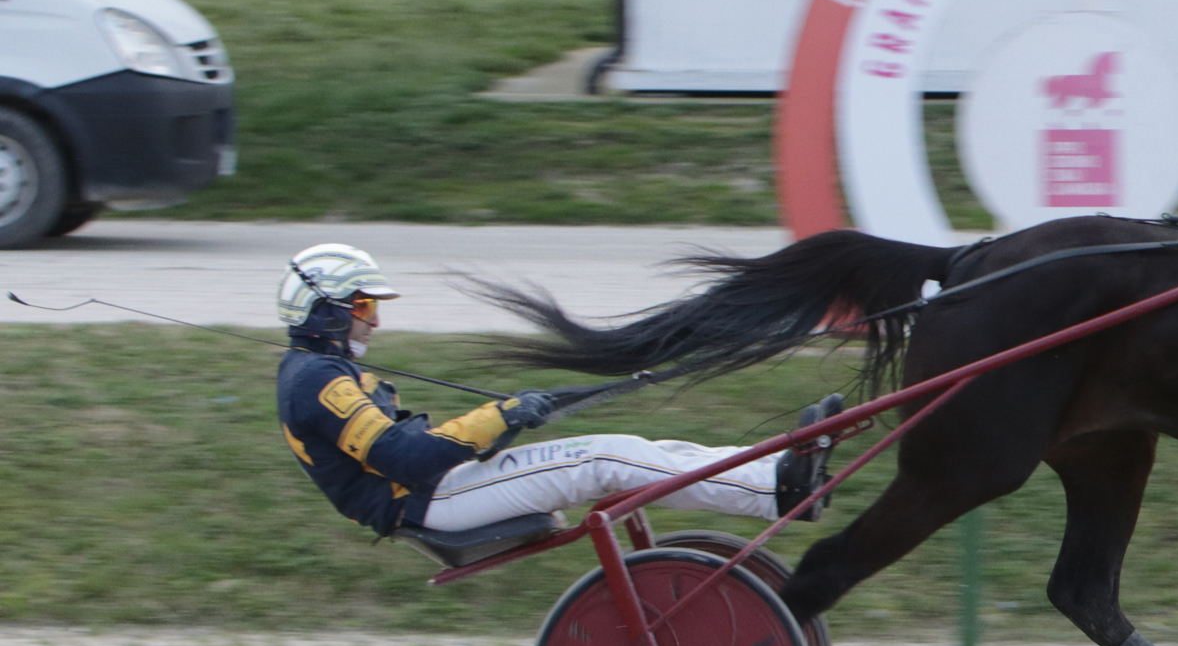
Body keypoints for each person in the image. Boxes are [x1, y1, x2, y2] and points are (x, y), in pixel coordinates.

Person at [273, 243, 835, 538]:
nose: (373, 320)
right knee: (607, 459)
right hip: (429, 501)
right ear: (329, 310)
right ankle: (774, 489)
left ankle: (778, 469)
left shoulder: (319, 373)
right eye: (366, 306)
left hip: (439, 490)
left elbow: (408, 450)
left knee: (634, 447)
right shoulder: (318, 381)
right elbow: (402, 458)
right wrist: (500, 414)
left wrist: (503, 421)